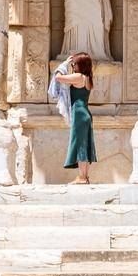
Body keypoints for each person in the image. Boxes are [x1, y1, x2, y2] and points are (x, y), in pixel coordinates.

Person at [51, 52, 96, 183]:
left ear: (80, 65)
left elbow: (58, 77)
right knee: (85, 145)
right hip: (86, 113)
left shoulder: (78, 76)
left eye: (74, 64)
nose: (72, 65)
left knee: (81, 145)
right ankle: (85, 177)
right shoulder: (87, 78)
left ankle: (82, 178)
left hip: (79, 114)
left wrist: (64, 64)